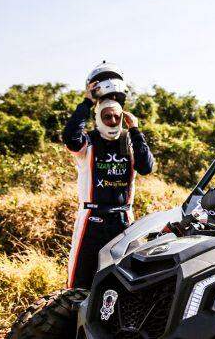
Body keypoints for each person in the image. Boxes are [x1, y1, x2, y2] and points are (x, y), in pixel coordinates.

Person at [62, 81, 155, 289]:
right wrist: (87, 102)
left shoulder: (129, 140)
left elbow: (146, 167)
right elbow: (70, 138)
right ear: (98, 118)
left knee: (127, 280)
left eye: (116, 116)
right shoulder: (88, 143)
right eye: (107, 116)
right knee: (80, 281)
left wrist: (136, 130)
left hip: (123, 220)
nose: (112, 121)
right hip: (91, 221)